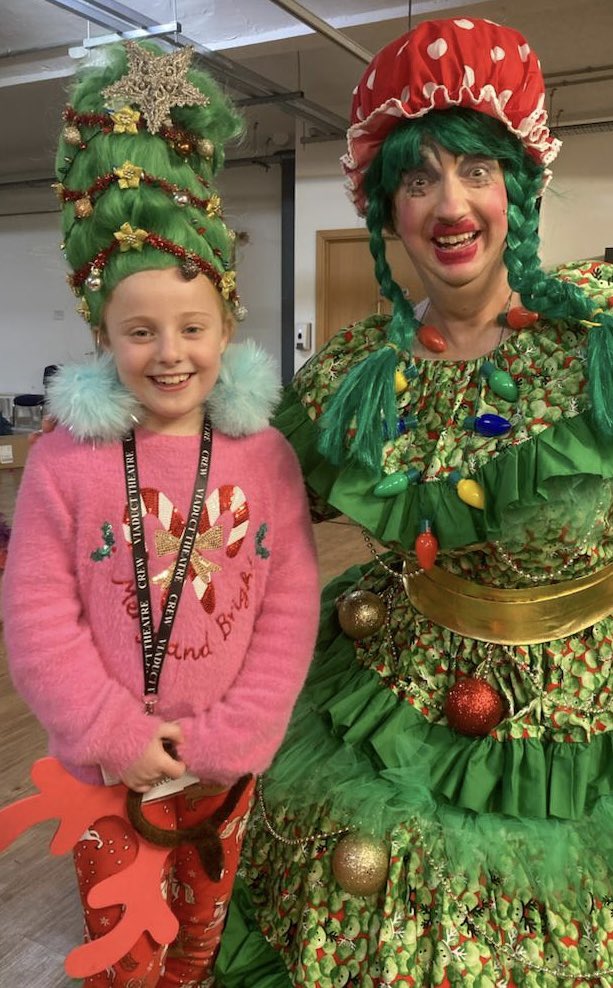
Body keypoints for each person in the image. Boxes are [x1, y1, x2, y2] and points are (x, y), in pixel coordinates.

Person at [215, 16, 613, 988]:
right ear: (386, 207)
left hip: (581, 721)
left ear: (515, 186)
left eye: (475, 169)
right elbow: (242, 525)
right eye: (417, 176)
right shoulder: (353, 374)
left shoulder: (595, 339)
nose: (450, 203)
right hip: (389, 707)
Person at [0, 40, 320, 988]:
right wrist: (110, 732)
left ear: (228, 325)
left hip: (228, 765)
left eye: (192, 328)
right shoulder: (67, 460)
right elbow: (38, 615)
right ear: (104, 336)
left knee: (197, 938)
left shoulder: (264, 458)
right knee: (119, 945)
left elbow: (289, 600)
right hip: (108, 770)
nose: (169, 354)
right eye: (140, 332)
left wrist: (237, 734)